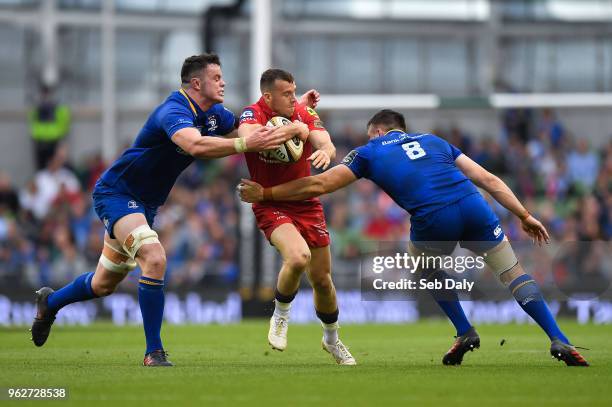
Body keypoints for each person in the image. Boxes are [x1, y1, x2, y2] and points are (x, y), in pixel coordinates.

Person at [238, 109, 589, 367]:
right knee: (513, 274)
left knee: (424, 270)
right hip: (474, 206)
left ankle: (465, 330)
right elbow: (489, 179)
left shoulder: (369, 152)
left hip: (435, 217)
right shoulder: (435, 141)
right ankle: (559, 338)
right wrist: (524, 215)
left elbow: (319, 184)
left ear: (376, 131)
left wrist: (266, 194)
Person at [30, 54, 318, 367]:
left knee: (103, 284)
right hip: (118, 193)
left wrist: (292, 109)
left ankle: (50, 302)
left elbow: (249, 128)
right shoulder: (174, 110)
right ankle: (153, 352)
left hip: (146, 204)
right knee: (154, 257)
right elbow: (196, 145)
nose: (224, 83)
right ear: (197, 83)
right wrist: (244, 146)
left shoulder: (215, 115)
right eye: (217, 78)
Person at [237, 69, 355, 365]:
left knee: (322, 280)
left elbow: (325, 141)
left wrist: (325, 150)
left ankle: (331, 339)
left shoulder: (302, 111)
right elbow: (250, 139)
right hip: (269, 201)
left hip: (306, 202)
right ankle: (280, 315)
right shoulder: (252, 114)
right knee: (298, 257)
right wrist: (294, 130)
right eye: (286, 94)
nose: (293, 98)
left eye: (294, 92)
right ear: (268, 97)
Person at [28, 85, 71, 170]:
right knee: (40, 166)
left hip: (54, 140)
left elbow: (64, 123)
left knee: (55, 165)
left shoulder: (59, 108)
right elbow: (32, 121)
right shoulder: (37, 108)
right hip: (40, 140)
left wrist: (61, 139)